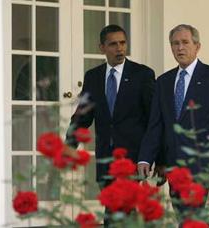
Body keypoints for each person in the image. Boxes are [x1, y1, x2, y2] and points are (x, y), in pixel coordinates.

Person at [65, 24, 155, 226]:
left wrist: (156, 156)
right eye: (113, 44)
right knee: (116, 210)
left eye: (122, 43)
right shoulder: (93, 77)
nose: (119, 48)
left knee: (119, 209)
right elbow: (83, 116)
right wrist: (69, 145)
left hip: (132, 157)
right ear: (102, 48)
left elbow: (153, 120)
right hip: (105, 156)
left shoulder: (143, 75)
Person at [138, 24, 209, 194]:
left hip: (202, 165)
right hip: (173, 165)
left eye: (185, 42)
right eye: (175, 43)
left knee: (190, 215)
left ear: (197, 46)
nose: (180, 48)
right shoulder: (163, 82)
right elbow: (155, 125)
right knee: (185, 217)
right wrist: (145, 158)